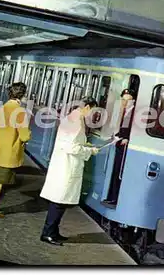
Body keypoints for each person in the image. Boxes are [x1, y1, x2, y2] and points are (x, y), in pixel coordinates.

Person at [39, 97, 100, 246]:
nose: (91, 113)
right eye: (91, 110)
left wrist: (83, 144)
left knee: (61, 201)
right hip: (66, 167)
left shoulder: (71, 118)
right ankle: (47, 233)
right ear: (86, 107)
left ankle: (53, 231)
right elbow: (70, 147)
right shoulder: (77, 122)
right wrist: (89, 150)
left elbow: (71, 142)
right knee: (58, 202)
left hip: (63, 165)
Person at [0, 82, 31, 218]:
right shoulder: (20, 111)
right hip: (8, 152)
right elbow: (24, 135)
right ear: (22, 95)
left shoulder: (2, 108)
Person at [102, 88, 137, 207]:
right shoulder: (122, 110)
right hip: (118, 142)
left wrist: (126, 137)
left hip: (125, 146)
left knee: (119, 171)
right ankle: (111, 196)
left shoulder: (135, 112)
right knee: (115, 170)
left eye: (128, 100)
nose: (125, 102)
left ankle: (115, 198)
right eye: (123, 99)